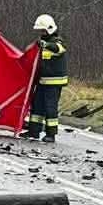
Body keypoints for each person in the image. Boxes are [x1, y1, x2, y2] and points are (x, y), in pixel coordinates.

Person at [27, 14, 67, 142]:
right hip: (42, 82)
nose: (41, 33)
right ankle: (33, 131)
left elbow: (58, 49)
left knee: (50, 109)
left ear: (49, 29)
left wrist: (45, 44)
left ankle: (51, 134)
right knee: (37, 106)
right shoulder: (41, 43)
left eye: (43, 30)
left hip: (53, 83)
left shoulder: (57, 41)